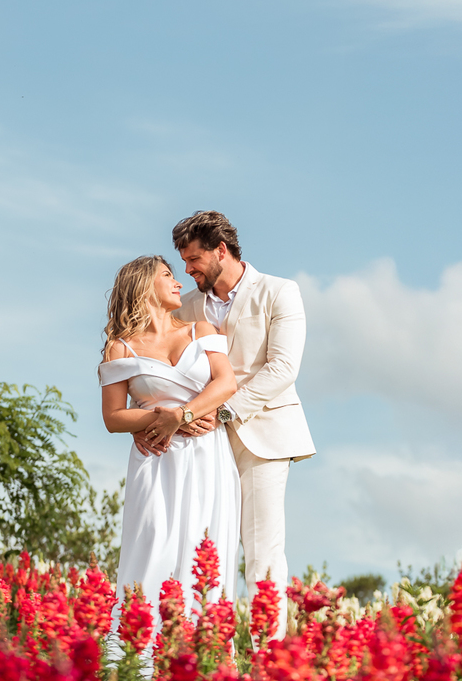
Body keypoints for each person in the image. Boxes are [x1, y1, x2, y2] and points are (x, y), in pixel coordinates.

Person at [167, 211, 315, 634]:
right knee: (203, 547)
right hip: (200, 439)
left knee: (262, 550)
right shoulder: (186, 306)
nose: (187, 269)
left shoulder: (279, 292)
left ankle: (269, 656)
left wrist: (222, 411)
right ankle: (208, 650)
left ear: (221, 250)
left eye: (193, 259)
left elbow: (282, 368)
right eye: (183, 261)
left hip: (263, 436)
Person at [98, 254, 241, 628]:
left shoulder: (202, 330)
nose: (179, 282)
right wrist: (165, 420)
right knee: (153, 541)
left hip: (209, 454)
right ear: (144, 284)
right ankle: (137, 645)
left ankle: (202, 646)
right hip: (156, 458)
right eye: (168, 275)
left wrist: (184, 414)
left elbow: (226, 383)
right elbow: (113, 417)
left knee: (205, 547)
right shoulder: (121, 347)